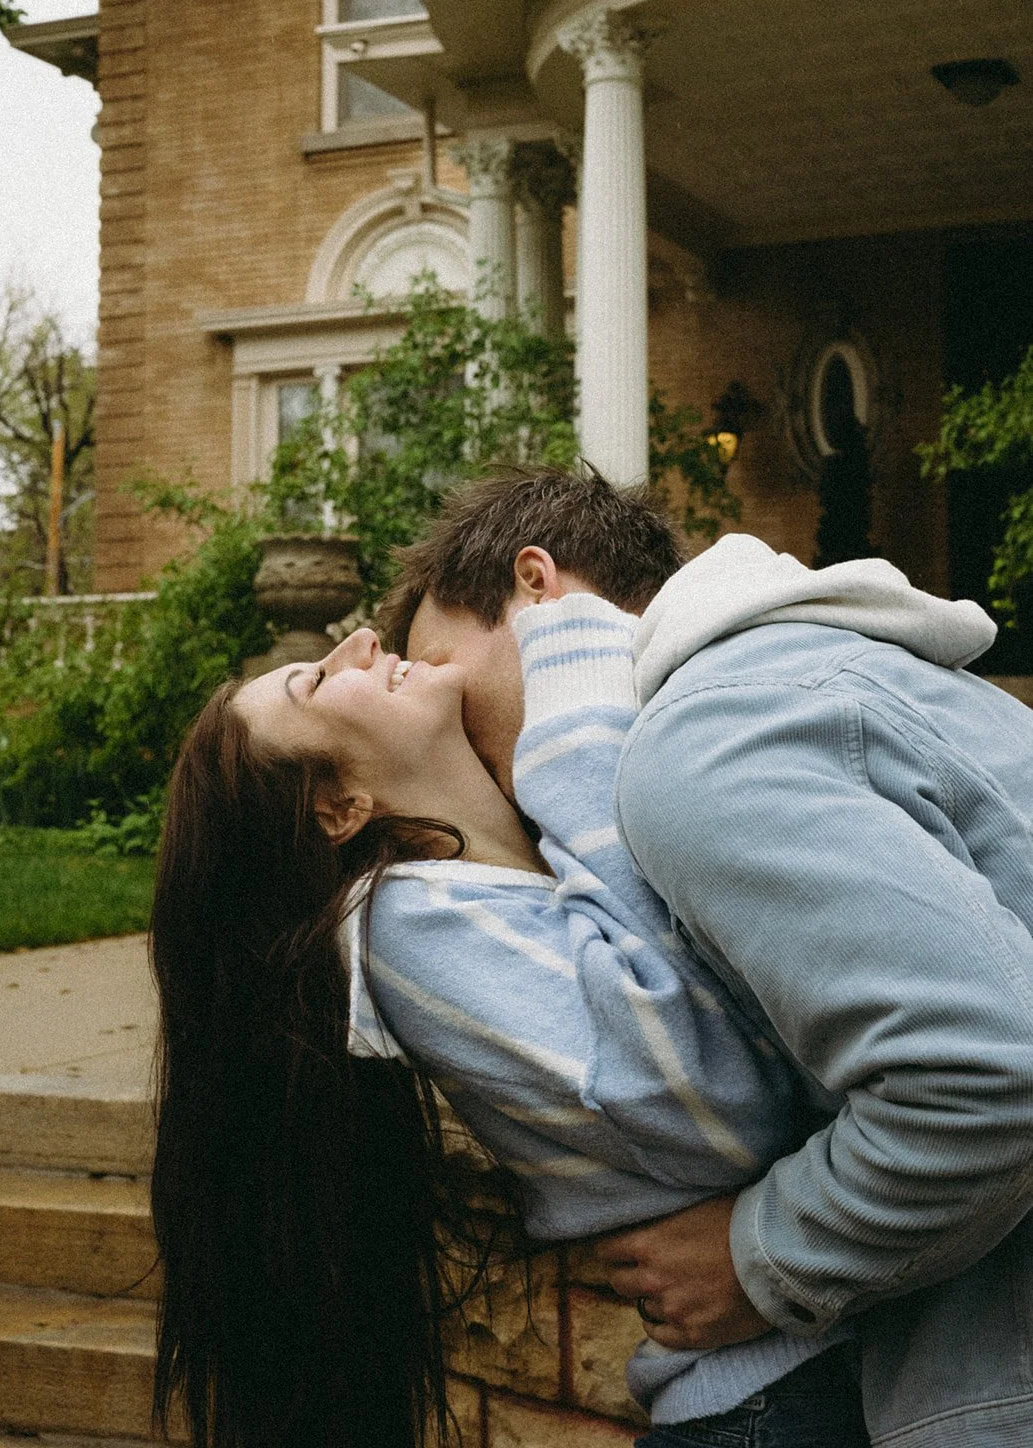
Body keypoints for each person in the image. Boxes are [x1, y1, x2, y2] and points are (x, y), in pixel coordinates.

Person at [148, 538, 871, 1448]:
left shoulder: (516, 865)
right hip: (764, 1404)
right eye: (317, 682)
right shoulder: (402, 928)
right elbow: (721, 1101)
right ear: (338, 809)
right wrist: (576, 742)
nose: (361, 643)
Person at [386, 464, 1033, 1448]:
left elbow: (984, 1074)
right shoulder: (805, 670)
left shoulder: (702, 744)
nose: (447, 722)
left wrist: (756, 1256)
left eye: (440, 663)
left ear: (535, 586)